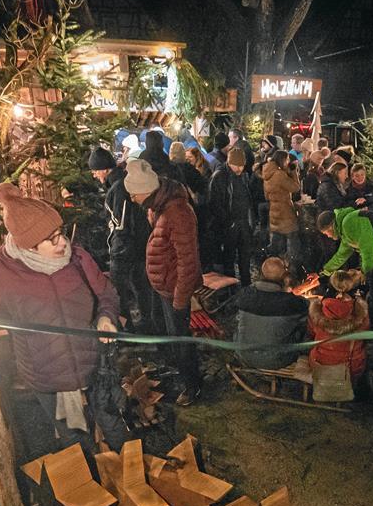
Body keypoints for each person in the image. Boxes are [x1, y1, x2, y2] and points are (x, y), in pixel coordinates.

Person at [0, 182, 122, 452]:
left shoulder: (78, 260)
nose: (63, 242)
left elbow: (107, 293)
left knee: (114, 424)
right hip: (47, 377)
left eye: (61, 233)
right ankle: (92, 487)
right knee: (75, 439)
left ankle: (132, 479)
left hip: (94, 366)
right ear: (28, 245)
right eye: (51, 239)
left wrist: (107, 316)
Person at [126, 159, 203, 405]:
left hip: (174, 290)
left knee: (181, 338)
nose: (131, 199)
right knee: (172, 335)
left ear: (145, 191)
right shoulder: (159, 207)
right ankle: (180, 373)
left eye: (133, 194)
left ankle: (193, 386)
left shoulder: (178, 213)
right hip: (165, 286)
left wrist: (180, 298)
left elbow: (187, 260)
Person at [89, 146, 155, 332]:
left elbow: (120, 224)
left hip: (125, 249)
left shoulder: (118, 189)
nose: (94, 175)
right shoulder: (121, 183)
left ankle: (126, 329)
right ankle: (147, 324)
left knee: (119, 292)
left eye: (95, 171)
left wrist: (116, 250)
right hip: (137, 246)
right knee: (141, 287)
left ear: (104, 169)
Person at [232, 256, 309, 369]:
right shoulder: (292, 303)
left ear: (261, 273)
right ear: (284, 277)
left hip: (244, 355)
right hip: (278, 359)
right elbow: (306, 315)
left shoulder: (246, 295)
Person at [208, 146, 257, 287]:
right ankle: (230, 290)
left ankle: (246, 286)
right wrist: (227, 222)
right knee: (228, 259)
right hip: (229, 224)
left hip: (243, 223)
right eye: (236, 166)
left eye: (242, 166)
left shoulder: (244, 176)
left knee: (245, 257)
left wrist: (250, 222)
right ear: (229, 162)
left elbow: (248, 199)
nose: (239, 169)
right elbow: (215, 204)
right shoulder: (220, 176)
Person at [308, 269, 369, 381]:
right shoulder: (360, 312)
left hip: (321, 363)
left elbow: (311, 333)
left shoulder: (317, 312)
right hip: (351, 367)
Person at [262, 149, 304, 277]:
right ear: (282, 160)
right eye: (287, 160)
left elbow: (267, 195)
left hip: (274, 212)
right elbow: (295, 187)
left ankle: (273, 269)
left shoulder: (268, 173)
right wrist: (294, 172)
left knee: (276, 243)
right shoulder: (279, 174)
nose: (288, 162)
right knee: (293, 243)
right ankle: (292, 271)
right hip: (285, 214)